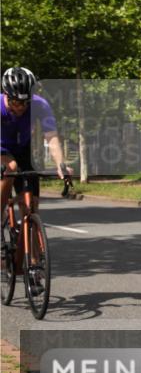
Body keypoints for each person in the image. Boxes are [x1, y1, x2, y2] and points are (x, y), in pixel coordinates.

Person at [1, 67, 70, 294]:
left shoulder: (40, 105)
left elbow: (51, 138)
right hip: (2, 150)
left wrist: (61, 164)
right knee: (9, 168)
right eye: (14, 102)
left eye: (24, 103)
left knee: (31, 208)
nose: (20, 108)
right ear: (5, 95)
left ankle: (33, 270)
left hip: (25, 151)